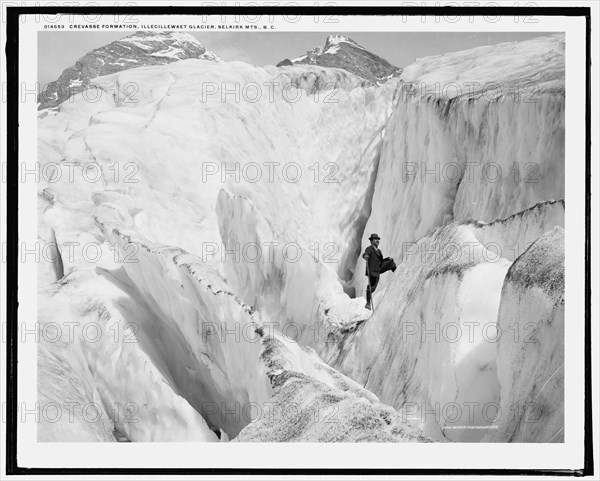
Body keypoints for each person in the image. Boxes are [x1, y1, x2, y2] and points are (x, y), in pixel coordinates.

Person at [362, 233, 396, 310]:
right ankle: (368, 303)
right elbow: (365, 253)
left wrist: (388, 259)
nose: (377, 240)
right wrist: (365, 256)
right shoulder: (369, 249)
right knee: (372, 287)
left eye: (378, 239)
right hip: (373, 271)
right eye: (375, 239)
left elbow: (381, 261)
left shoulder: (379, 251)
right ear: (371, 241)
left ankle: (397, 273)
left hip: (379, 268)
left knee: (390, 261)